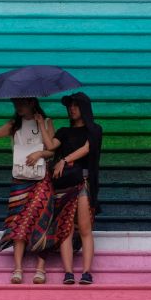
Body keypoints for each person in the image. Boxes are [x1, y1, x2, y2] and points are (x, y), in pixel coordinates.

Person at [0, 98, 55, 284]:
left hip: (41, 178)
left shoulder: (46, 122)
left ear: (32, 103)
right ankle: (18, 268)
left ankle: (40, 269)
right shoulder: (14, 124)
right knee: (18, 221)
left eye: (21, 103)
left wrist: (39, 149)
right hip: (20, 179)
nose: (18, 107)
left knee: (43, 219)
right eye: (16, 104)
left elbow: (52, 149)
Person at [41, 92, 103, 285]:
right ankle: (68, 273)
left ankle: (86, 273)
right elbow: (50, 145)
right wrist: (43, 123)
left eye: (76, 105)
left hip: (83, 182)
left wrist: (64, 160)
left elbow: (86, 149)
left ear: (84, 108)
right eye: (70, 106)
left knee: (85, 229)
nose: (72, 109)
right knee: (65, 230)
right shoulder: (63, 131)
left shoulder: (94, 129)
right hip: (64, 185)